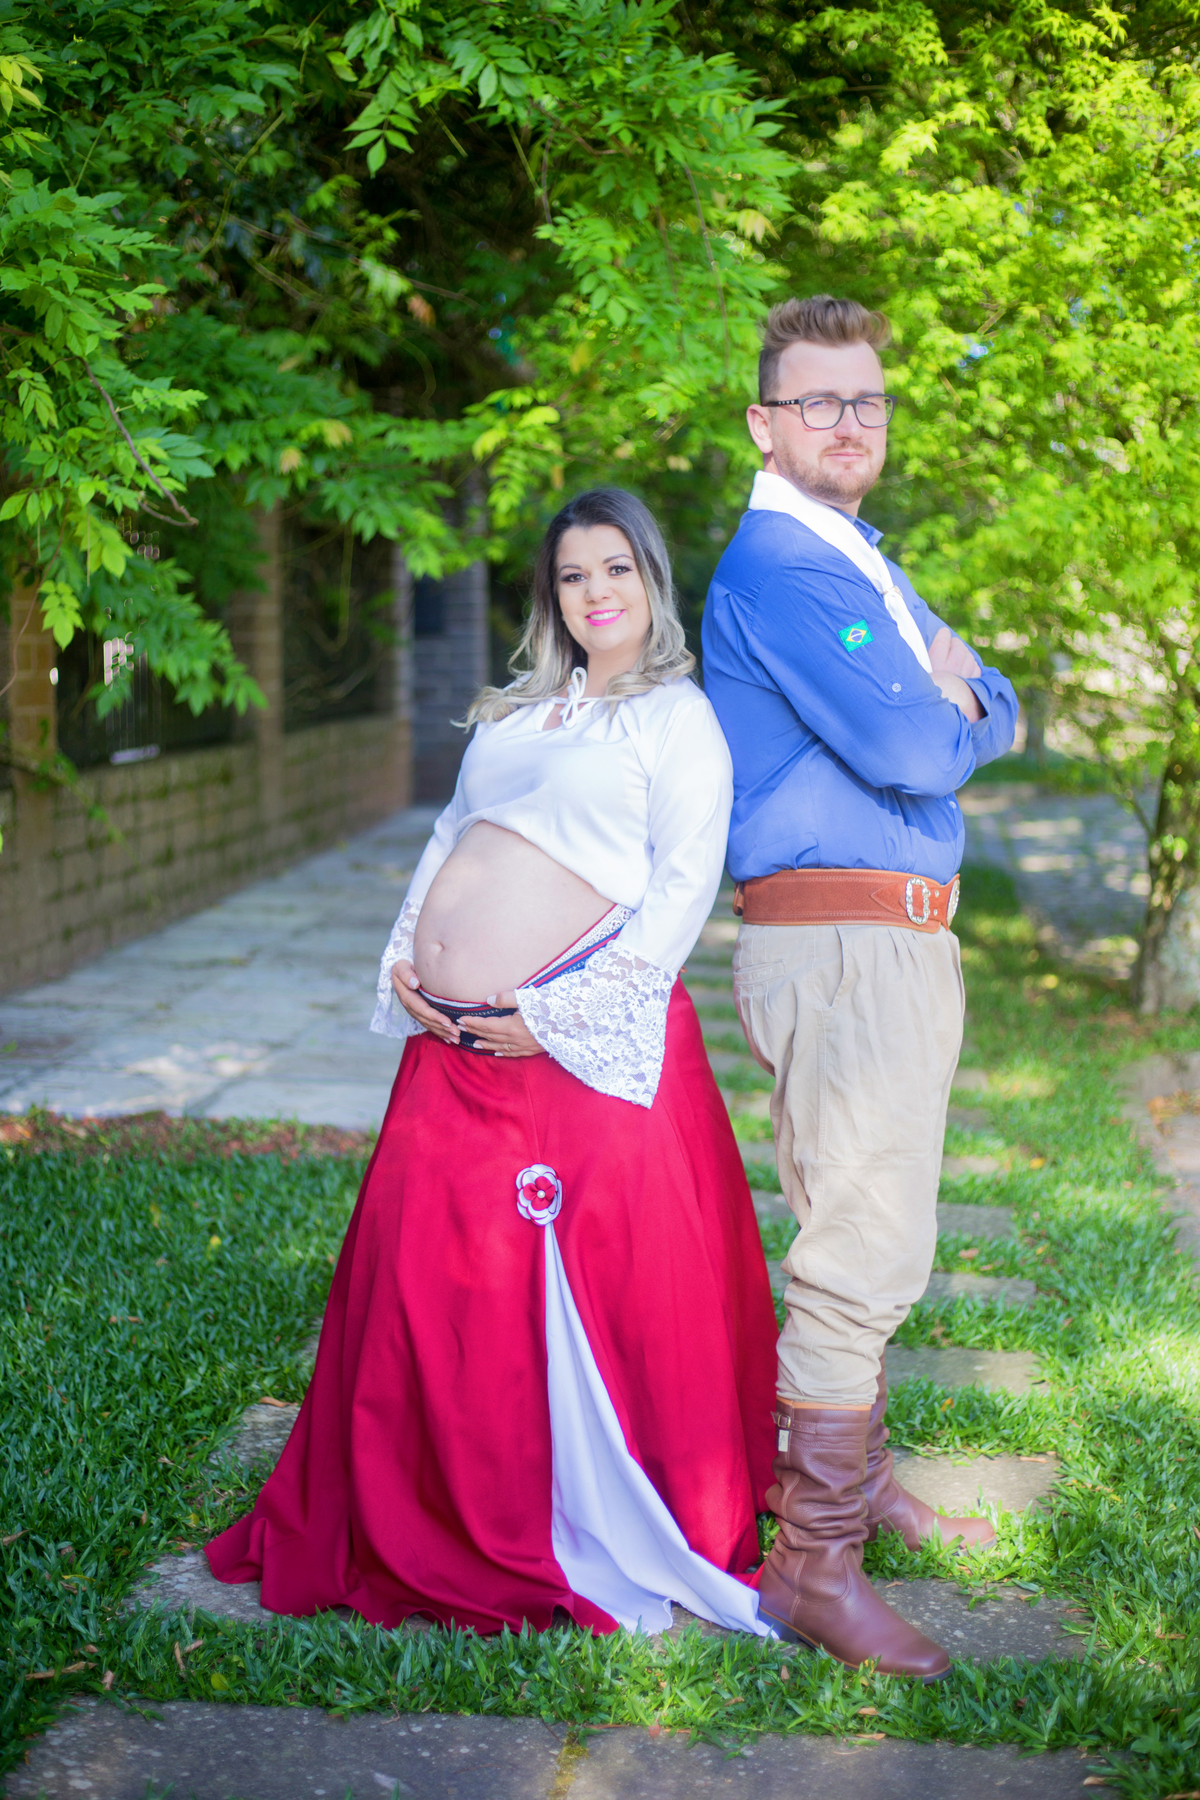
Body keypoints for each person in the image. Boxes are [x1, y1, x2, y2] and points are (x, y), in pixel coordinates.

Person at [207, 488, 779, 1638]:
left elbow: (682, 891)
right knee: (430, 1291)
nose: (596, 593)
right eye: (573, 577)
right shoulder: (521, 712)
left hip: (577, 1052)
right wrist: (409, 967)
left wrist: (559, 1016)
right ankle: (430, 1499)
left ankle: (587, 1515)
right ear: (551, 596)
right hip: (453, 1054)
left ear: (652, 580)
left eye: (615, 569)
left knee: (604, 1296)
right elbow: (449, 839)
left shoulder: (678, 719)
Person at [701, 296, 1019, 1678]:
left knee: (869, 1225)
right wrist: (941, 701)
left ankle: (856, 1491)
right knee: (860, 1247)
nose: (849, 423)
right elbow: (911, 738)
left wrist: (961, 698)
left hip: (887, 938)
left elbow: (997, 698)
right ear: (766, 425)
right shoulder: (785, 563)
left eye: (868, 400)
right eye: (819, 401)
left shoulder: (857, 556)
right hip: (840, 938)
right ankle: (814, 1567)